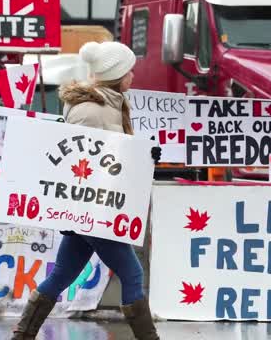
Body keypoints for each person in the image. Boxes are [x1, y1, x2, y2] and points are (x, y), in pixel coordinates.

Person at [11, 41, 161, 340]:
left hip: (92, 206)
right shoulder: (93, 111)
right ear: (117, 73)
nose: (133, 74)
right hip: (95, 206)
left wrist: (144, 157)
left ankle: (21, 335)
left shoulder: (107, 105)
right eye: (129, 69)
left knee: (62, 274)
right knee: (132, 274)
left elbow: (112, 155)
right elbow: (79, 160)